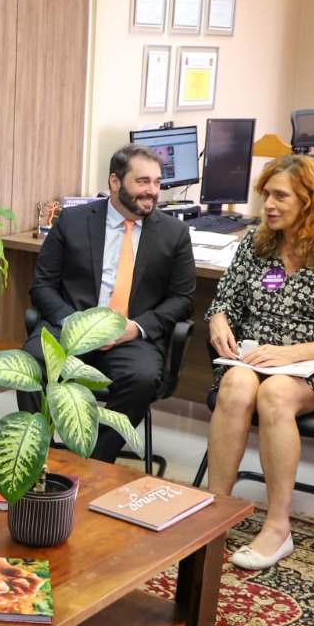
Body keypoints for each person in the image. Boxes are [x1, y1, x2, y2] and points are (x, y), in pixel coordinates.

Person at [204, 154, 314, 569]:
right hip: (257, 357)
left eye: (280, 197)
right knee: (237, 385)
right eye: (266, 196)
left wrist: (290, 355)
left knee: (276, 393)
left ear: (309, 201)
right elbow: (225, 301)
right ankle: (215, 511)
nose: (269, 207)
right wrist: (219, 321)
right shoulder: (256, 244)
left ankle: (278, 528)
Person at [25, 144, 196, 461]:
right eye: (143, 181)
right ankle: (40, 458)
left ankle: (94, 462)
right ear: (115, 182)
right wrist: (75, 323)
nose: (152, 191)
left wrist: (136, 328)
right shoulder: (73, 221)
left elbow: (182, 300)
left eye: (157, 183)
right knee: (31, 365)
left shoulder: (175, 233)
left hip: (130, 336)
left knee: (143, 379)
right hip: (71, 329)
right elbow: (42, 285)